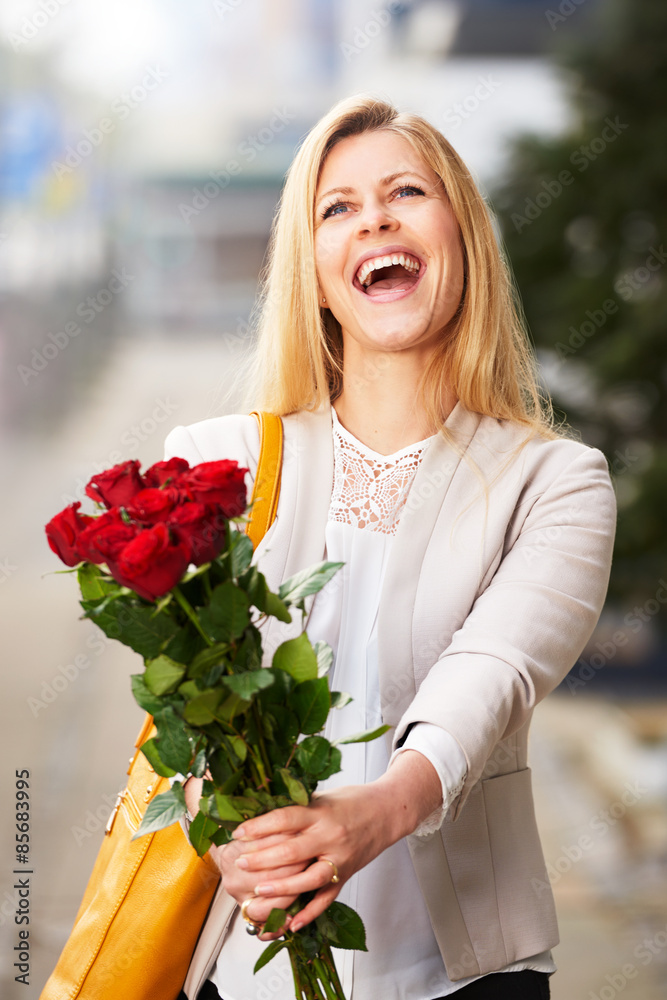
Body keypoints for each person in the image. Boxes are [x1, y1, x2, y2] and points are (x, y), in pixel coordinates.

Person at [166, 94, 616, 1000]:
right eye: (336, 207)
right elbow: (183, 723)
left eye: (405, 191)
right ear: (317, 270)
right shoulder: (216, 464)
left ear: (461, 233)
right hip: (238, 977)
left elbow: (491, 675)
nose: (372, 216)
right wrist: (223, 839)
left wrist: (384, 808)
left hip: (461, 981)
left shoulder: (555, 481)